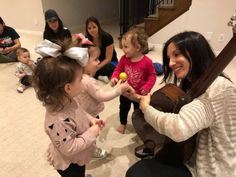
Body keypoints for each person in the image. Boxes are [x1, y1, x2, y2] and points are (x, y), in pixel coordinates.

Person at [126, 31, 236, 177]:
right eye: (169, 58)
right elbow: (170, 103)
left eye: (177, 54)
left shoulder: (218, 88)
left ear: (196, 53)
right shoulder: (194, 83)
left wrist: (146, 109)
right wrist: (138, 98)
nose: (171, 63)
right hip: (189, 153)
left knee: (136, 173)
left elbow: (179, 128)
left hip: (210, 168)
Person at [33, 40, 105, 177]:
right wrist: (92, 132)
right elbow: (70, 148)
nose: (83, 81)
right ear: (68, 88)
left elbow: (80, 111)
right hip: (69, 163)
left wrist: (91, 120)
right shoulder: (57, 121)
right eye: (80, 79)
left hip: (79, 156)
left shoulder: (68, 99)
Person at [77, 46, 131, 158]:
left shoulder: (77, 77)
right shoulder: (89, 81)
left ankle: (87, 149)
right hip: (89, 115)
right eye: (96, 59)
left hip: (80, 113)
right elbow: (102, 96)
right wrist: (119, 90)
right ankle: (91, 150)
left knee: (83, 134)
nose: (99, 62)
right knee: (91, 134)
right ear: (84, 63)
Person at [110, 27, 156, 134]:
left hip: (139, 94)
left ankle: (138, 124)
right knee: (123, 108)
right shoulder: (124, 59)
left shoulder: (147, 62)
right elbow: (118, 69)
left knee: (139, 111)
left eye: (126, 46)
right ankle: (123, 123)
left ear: (137, 47)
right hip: (125, 92)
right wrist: (114, 77)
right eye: (122, 46)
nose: (122, 49)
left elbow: (152, 76)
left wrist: (147, 88)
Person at [85, 16, 118, 83]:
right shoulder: (87, 39)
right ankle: (99, 76)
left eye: (94, 27)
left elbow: (108, 59)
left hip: (110, 62)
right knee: (84, 68)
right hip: (96, 61)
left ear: (98, 27)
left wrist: (97, 68)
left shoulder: (107, 37)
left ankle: (97, 75)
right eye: (89, 28)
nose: (92, 30)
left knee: (113, 69)